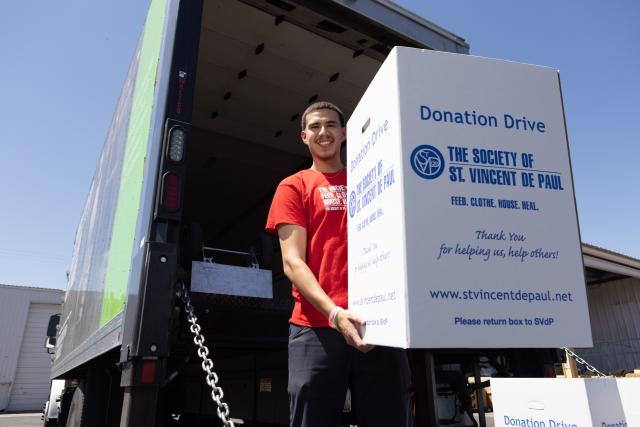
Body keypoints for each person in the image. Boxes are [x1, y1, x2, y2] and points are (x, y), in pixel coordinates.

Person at [265, 101, 411, 426]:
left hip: (377, 327)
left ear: (344, 133)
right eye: (315, 127)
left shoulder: (369, 179)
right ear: (304, 136)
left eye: (331, 125)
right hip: (315, 327)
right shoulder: (294, 186)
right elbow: (292, 262)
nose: (323, 132)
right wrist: (335, 314)